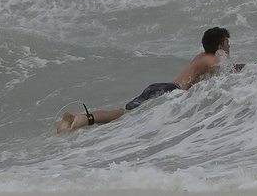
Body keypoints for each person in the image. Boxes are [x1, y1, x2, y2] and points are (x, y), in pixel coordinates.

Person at [56, 26, 246, 134]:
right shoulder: (213, 59)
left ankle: (81, 118)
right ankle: (80, 120)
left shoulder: (201, 56)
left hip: (161, 87)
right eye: (227, 43)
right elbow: (229, 70)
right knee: (125, 116)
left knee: (124, 113)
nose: (229, 47)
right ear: (220, 46)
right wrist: (255, 67)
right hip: (170, 92)